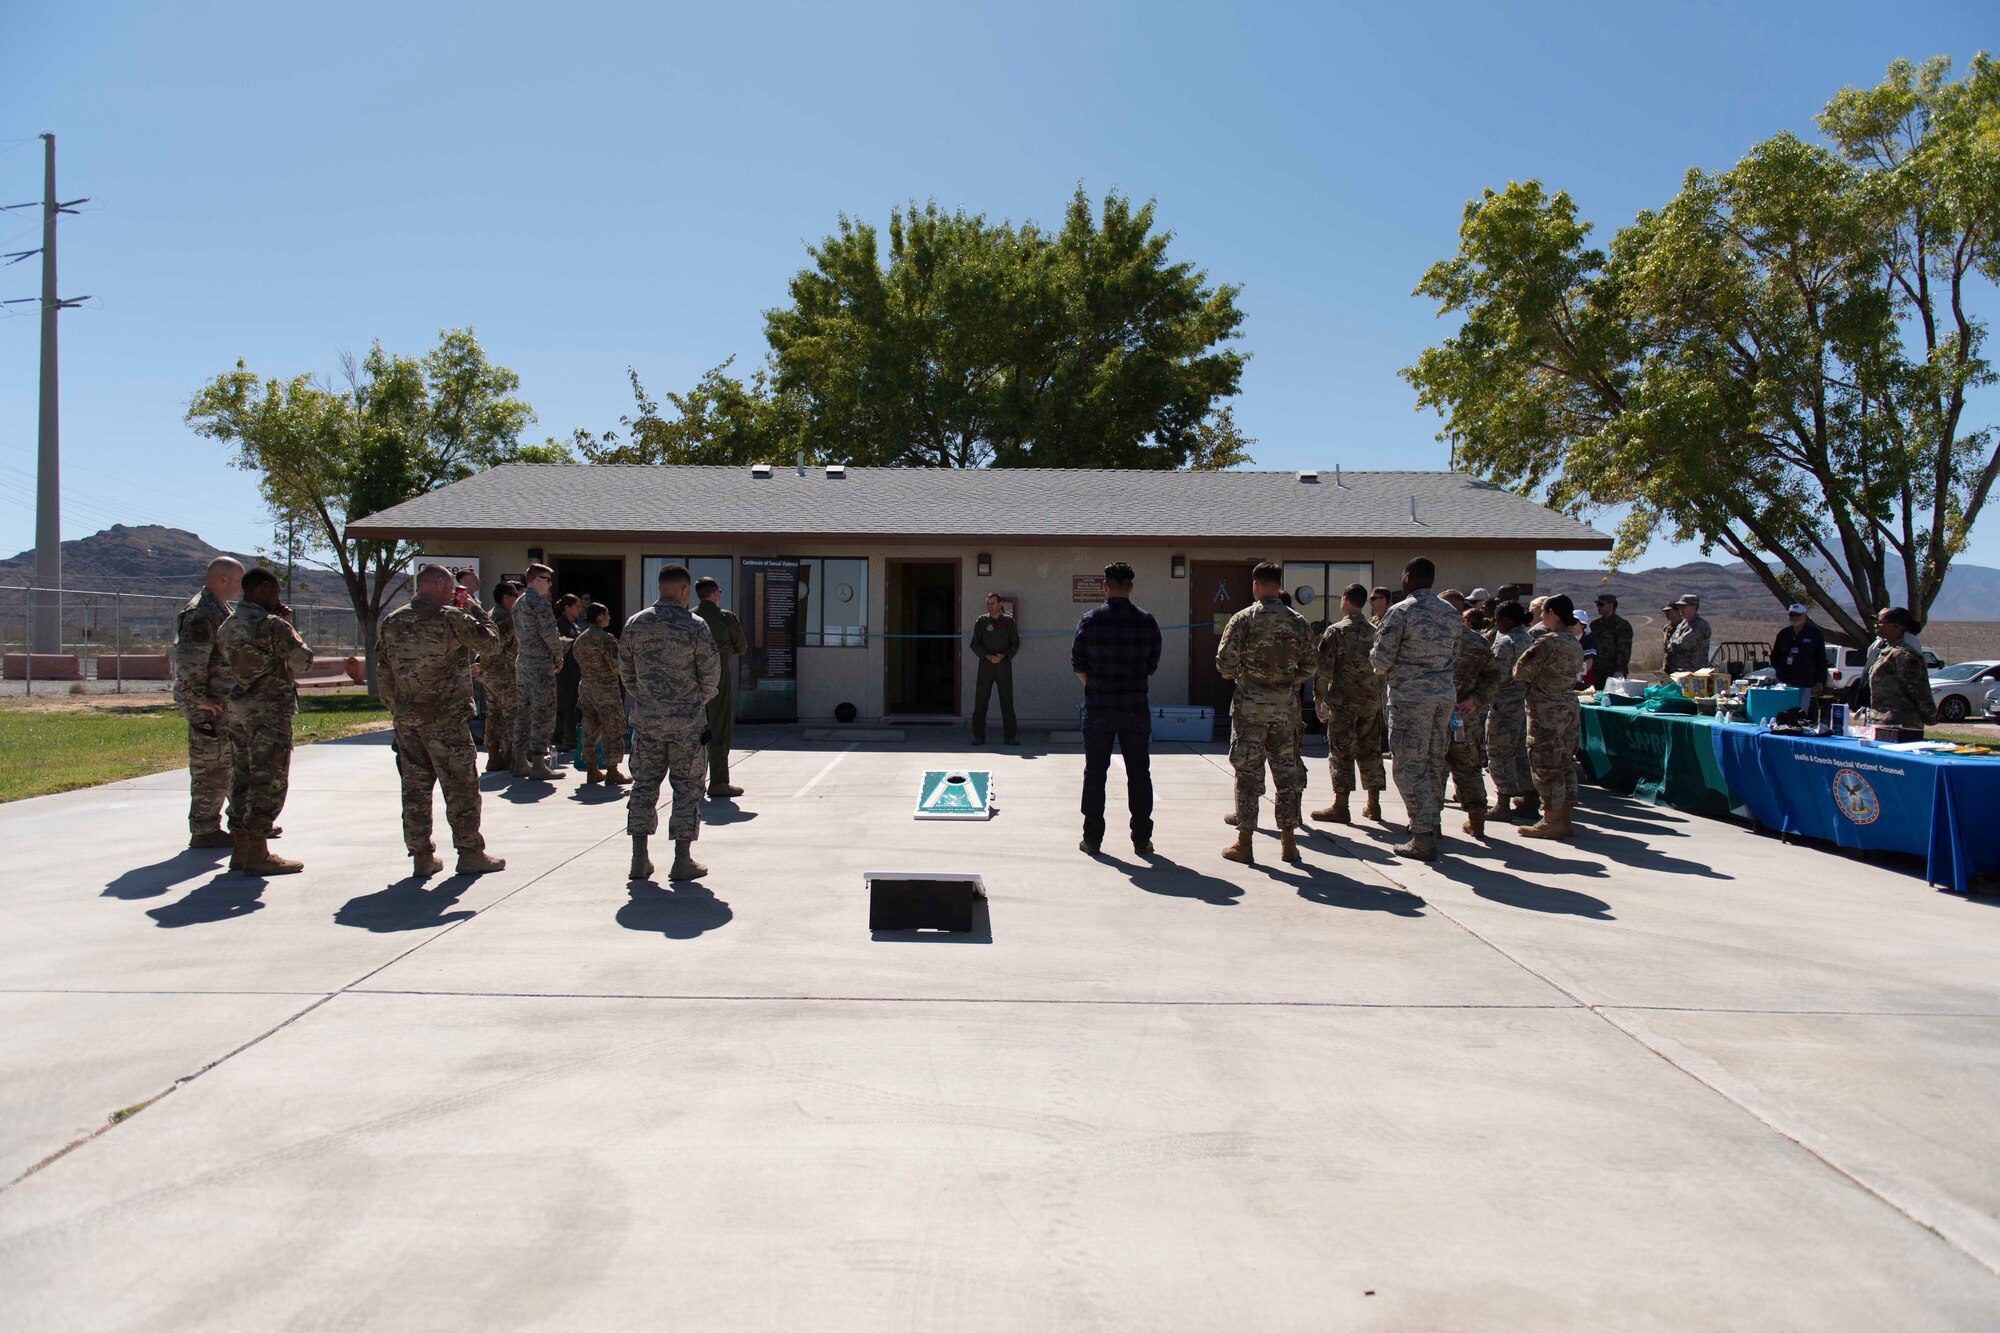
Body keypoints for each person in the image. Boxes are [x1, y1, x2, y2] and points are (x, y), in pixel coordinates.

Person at [377, 564, 507, 876]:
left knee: (415, 790)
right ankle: (469, 852)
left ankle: (421, 856)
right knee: (461, 787)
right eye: (450, 588)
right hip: (446, 720)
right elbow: (491, 644)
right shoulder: (451, 617)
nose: (453, 594)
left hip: (408, 721)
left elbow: (383, 672)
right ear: (436, 584)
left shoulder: (392, 620)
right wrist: (476, 611)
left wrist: (398, 709)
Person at [619, 563, 720, 881]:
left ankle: (639, 859)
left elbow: (626, 673)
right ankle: (681, 860)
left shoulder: (635, 624)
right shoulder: (696, 625)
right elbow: (711, 674)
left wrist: (649, 699)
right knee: (688, 788)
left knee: (644, 786)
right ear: (684, 590)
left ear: (659, 588)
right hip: (686, 723)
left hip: (647, 721)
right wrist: (693, 701)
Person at [1215, 563, 1316, 865]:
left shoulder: (1244, 619)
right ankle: (1289, 843)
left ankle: (1245, 842)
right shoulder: (1298, 621)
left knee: (1248, 773)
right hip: (1286, 709)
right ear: (1279, 585)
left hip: (1250, 709)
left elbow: (1224, 661)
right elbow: (1311, 664)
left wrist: (1242, 676)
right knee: (1287, 774)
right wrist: (1285, 681)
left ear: (1256, 585)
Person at [216, 568, 313, 874]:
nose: (278, 597)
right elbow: (303, 660)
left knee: (242, 776)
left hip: (239, 711)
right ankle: (258, 852)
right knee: (268, 778)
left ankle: (241, 849)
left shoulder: (228, 625)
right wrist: (285, 625)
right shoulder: (270, 625)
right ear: (264, 589)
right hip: (268, 712)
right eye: (275, 591)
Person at [1369, 557, 1463, 861]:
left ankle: (1422, 837)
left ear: (1408, 577)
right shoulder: (1451, 613)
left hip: (1411, 699)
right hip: (1443, 697)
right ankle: (1431, 823)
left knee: (1409, 766)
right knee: (1434, 761)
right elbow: (1456, 654)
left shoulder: (1400, 612)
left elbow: (1380, 661)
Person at [1071, 561, 1162, 855]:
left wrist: (1096, 686)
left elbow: (1078, 665)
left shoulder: (1090, 620)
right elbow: (1151, 666)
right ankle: (1141, 839)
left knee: (1095, 773)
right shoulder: (1147, 622)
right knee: (1139, 773)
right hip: (1135, 706)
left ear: (1105, 587)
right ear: (1131, 588)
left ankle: (1093, 839)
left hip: (1099, 707)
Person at [173, 556, 244, 850]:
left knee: (227, 764)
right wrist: (196, 701)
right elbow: (190, 662)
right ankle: (204, 829)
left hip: (223, 705)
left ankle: (239, 822)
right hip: (210, 707)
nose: (241, 589)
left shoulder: (219, 608)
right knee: (210, 768)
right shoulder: (200, 613)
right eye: (239, 582)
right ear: (222, 580)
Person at [1310, 583, 1386, 825]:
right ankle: (1373, 804)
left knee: (1341, 753)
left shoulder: (1336, 632)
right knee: (1371, 751)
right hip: (1370, 702)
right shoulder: (1376, 632)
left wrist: (1318, 698)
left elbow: (1323, 670)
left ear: (1344, 600)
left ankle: (1341, 806)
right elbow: (1383, 668)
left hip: (1343, 703)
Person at [1513, 595, 1585, 839]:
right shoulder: (1575, 643)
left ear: (1552, 613)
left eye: (1543, 612)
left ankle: (1552, 819)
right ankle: (1563, 816)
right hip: (1568, 707)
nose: (1541, 617)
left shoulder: (1547, 642)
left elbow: (1521, 670)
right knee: (1564, 761)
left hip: (1546, 709)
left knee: (1545, 763)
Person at [1447, 608, 1506, 837]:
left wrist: (1475, 699)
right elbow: (1494, 676)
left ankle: (1429, 825)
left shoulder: (1429, 638)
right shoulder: (1477, 642)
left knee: (1434, 770)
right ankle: (1476, 819)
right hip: (1462, 715)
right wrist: (1476, 700)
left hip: (1441, 714)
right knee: (1468, 769)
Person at [692, 575, 748, 795]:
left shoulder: (689, 617)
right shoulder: (724, 617)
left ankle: (694, 781)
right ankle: (718, 781)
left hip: (691, 683)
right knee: (719, 730)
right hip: (717, 682)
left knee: (694, 733)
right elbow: (741, 647)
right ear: (715, 593)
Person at [511, 564, 567, 780]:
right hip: (539, 664)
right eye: (547, 579)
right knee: (543, 712)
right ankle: (538, 763)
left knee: (522, 712)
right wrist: (558, 656)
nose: (550, 584)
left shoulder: (519, 602)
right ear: (535, 579)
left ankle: (519, 761)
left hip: (523, 661)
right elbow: (550, 634)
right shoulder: (538, 603)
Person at [1486, 602, 1537, 821]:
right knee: (1521, 754)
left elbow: (1497, 675)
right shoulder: (1530, 640)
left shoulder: (1505, 642)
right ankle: (1531, 799)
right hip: (1525, 704)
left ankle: (1503, 803)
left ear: (1506, 620)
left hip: (1504, 705)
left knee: (1498, 753)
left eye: (1497, 620)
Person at [571, 603, 629, 786]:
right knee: (613, 727)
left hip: (586, 688)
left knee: (589, 728)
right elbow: (616, 665)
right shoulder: (606, 639)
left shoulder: (580, 639)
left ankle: (591, 769)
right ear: (600, 617)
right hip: (606, 689)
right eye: (607, 614)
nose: (609, 617)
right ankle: (612, 770)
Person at [1867, 608, 1937, 732]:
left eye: (1880, 623)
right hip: (1880, 721)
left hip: (1901, 723)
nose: (1876, 625)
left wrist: (1930, 716)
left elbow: (1919, 691)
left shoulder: (1904, 656)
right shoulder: (1884, 651)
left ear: (1897, 626)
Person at [968, 592, 1021, 746]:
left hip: (1003, 666)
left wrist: (1004, 656)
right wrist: (986, 656)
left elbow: (1015, 643)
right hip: (986, 666)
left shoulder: (1009, 621)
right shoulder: (982, 621)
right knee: (981, 701)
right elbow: (974, 644)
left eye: (993, 603)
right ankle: (979, 736)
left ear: (1000, 605)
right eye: (988, 604)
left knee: (1007, 701)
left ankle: (1010, 737)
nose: (990, 606)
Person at [480, 580, 521, 773]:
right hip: (504, 674)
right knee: (512, 715)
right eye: (515, 595)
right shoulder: (506, 619)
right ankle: (515, 758)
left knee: (493, 715)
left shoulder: (489, 616)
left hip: (489, 673)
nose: (517, 598)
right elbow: (496, 644)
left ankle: (494, 756)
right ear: (506, 598)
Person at [553, 592, 585, 756]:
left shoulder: (575, 625)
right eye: (576, 606)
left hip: (575, 670)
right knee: (562, 705)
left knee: (574, 705)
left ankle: (570, 738)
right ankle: (558, 740)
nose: (579, 610)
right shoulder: (560, 624)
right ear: (567, 608)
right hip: (564, 672)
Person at [1771, 604, 1829, 693]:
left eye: (1798, 615)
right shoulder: (1783, 634)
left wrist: (1819, 681)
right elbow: (1775, 657)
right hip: (1784, 683)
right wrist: (1780, 673)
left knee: (1802, 707)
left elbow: (1821, 660)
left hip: (1805, 683)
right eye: (1792, 615)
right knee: (1784, 707)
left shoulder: (1814, 635)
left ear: (1805, 616)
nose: (1795, 617)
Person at [1590, 594, 1633, 686]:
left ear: (1611, 605)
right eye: (1597, 605)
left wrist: (1619, 671)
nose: (1598, 607)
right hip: (1596, 671)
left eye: (1601, 604)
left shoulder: (1621, 625)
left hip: (1613, 671)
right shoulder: (1595, 625)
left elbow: (1624, 651)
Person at [1664, 594, 1712, 672]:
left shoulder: (1700, 625)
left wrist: (1673, 644)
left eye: (1684, 606)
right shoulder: (1681, 624)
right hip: (1677, 671)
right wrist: (1673, 644)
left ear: (1693, 608)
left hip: (1694, 673)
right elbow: (1669, 644)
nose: (1680, 609)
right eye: (1679, 606)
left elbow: (1684, 643)